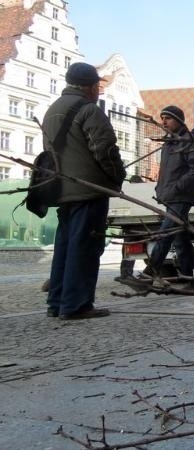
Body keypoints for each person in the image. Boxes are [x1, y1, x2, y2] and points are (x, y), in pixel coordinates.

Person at [43, 62, 126, 320]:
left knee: (65, 248)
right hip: (88, 189)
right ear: (91, 87)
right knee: (85, 247)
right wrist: (117, 177)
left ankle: (57, 303)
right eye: (98, 87)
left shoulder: (52, 109)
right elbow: (105, 150)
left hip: (62, 189)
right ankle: (76, 305)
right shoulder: (89, 109)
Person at [144, 105, 194, 290]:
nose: (163, 121)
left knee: (165, 234)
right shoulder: (168, 143)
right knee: (181, 240)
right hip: (170, 197)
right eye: (162, 118)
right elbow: (166, 172)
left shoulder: (188, 140)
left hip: (181, 197)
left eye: (168, 118)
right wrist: (161, 189)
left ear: (179, 121)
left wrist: (177, 187)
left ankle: (150, 271)